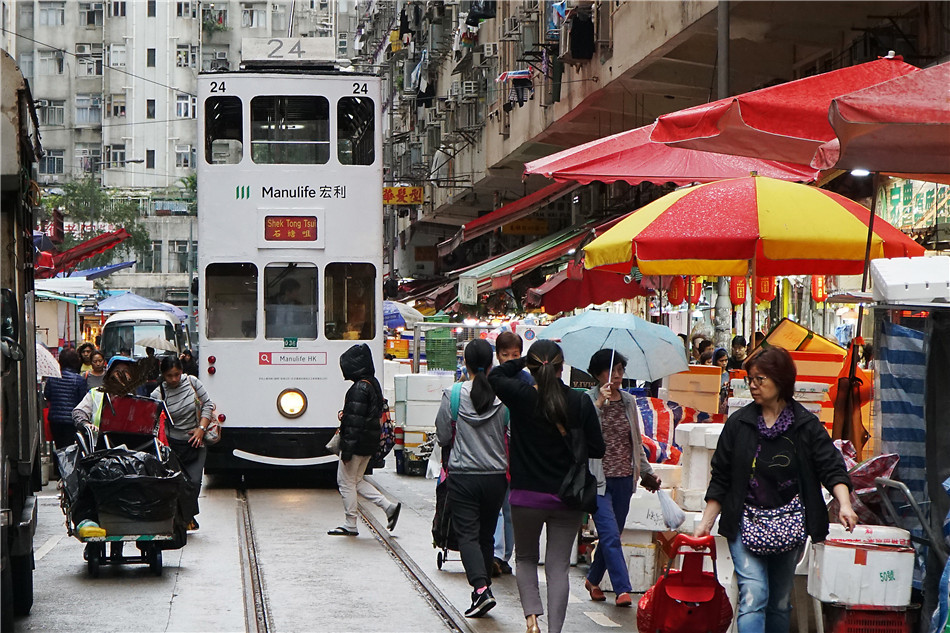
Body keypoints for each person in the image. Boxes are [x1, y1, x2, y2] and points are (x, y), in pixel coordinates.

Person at [693, 346, 857, 633]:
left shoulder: (805, 426)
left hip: (790, 524)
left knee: (779, 602)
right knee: (754, 596)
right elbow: (721, 477)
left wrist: (844, 504)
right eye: (751, 380)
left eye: (760, 379)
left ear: (780, 380)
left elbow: (832, 468)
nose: (753, 386)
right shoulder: (739, 424)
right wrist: (705, 523)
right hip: (745, 522)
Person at [489, 340, 605, 633]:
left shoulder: (521, 396)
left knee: (526, 558)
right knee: (557, 568)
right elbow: (597, 448)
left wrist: (523, 360)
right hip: (567, 497)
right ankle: (555, 631)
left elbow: (495, 377)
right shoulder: (580, 401)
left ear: (531, 366)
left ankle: (531, 621)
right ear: (561, 368)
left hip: (525, 495)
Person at [435, 339, 509, 618]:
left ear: (464, 363)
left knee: (467, 534)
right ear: (492, 364)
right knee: (486, 534)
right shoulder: (504, 399)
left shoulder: (453, 396)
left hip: (463, 476)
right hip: (495, 478)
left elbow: (443, 436)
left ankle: (480, 589)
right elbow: (510, 438)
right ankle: (485, 586)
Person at [583, 349, 660, 607]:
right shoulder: (588, 400)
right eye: (611, 370)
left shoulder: (628, 401)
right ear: (597, 373)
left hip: (625, 478)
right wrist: (599, 405)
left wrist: (647, 472)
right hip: (598, 480)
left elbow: (635, 442)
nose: (617, 376)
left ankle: (593, 580)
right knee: (610, 534)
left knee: (611, 534)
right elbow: (583, 432)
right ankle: (623, 589)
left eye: (620, 370)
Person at [328, 343, 402, 536]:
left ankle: (350, 523)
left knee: (345, 482)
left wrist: (347, 450)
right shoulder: (372, 384)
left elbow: (354, 423)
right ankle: (388, 507)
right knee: (357, 480)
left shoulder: (359, 388)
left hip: (357, 444)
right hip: (369, 443)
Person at [151, 356, 215, 531]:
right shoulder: (158, 394)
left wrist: (201, 428)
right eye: (169, 375)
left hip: (196, 442)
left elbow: (208, 405)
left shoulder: (192, 382)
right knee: (178, 484)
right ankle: (183, 518)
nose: (174, 379)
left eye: (177, 374)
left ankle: (187, 516)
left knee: (194, 483)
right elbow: (153, 421)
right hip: (173, 446)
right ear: (163, 375)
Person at [490, 331, 530, 578]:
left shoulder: (526, 379)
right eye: (505, 355)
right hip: (495, 447)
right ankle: (496, 552)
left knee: (511, 507)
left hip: (518, 449)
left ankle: (505, 556)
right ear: (497, 355)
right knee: (497, 504)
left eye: (515, 355)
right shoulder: (492, 378)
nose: (509, 359)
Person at [44, 349, 89, 450]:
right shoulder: (79, 379)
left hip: (55, 419)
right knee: (69, 447)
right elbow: (82, 400)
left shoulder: (53, 377)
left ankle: (57, 465)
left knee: (58, 446)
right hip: (71, 420)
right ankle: (67, 465)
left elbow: (48, 394)